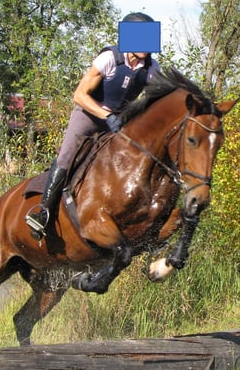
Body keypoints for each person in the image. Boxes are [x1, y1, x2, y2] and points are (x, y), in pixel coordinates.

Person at [25, 12, 162, 240]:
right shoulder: (109, 58)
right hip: (89, 113)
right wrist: (106, 115)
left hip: (119, 121)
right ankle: (44, 212)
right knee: (67, 155)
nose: (147, 49)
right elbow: (79, 95)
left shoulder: (151, 67)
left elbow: (159, 98)